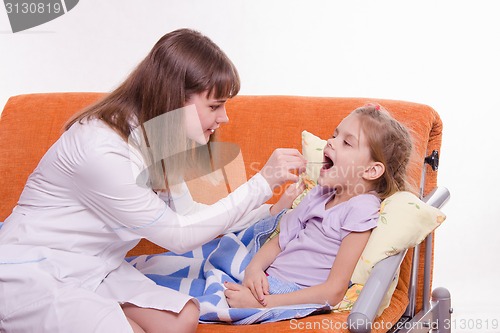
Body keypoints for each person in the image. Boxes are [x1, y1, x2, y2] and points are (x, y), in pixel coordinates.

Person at [0, 29, 306, 333]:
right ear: (173, 100)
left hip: (96, 266)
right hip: (39, 269)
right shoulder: (102, 148)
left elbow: (190, 215)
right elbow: (178, 235)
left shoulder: (155, 143)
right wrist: (262, 182)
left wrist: (271, 211)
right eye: (214, 106)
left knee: (182, 317)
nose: (224, 118)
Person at [224, 104, 413, 309]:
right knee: (214, 260)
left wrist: (264, 304)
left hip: (293, 295)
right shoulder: (319, 194)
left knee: (208, 304)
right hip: (267, 281)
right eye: (334, 135)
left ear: (371, 170)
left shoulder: (361, 208)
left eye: (347, 143)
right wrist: (254, 269)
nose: (331, 142)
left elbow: (334, 292)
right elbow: (280, 241)